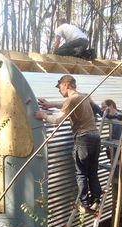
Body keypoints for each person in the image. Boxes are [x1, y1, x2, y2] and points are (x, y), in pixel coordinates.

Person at [34, 75, 101, 213]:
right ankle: (96, 200)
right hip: (95, 138)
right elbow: (68, 105)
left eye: (59, 87)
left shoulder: (71, 100)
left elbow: (58, 120)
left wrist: (43, 116)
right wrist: (51, 104)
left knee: (82, 173)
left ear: (66, 85)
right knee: (92, 172)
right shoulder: (84, 96)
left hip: (83, 139)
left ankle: (84, 204)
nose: (59, 90)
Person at [99, 99, 122, 216]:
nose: (102, 110)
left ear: (110, 106)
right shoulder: (112, 118)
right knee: (117, 183)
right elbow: (114, 138)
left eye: (104, 107)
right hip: (116, 155)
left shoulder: (119, 116)